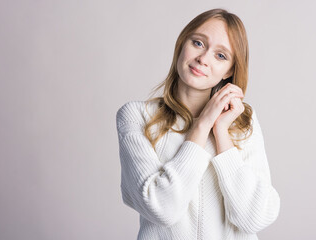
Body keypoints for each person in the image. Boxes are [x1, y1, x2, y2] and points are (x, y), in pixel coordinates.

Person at [116, 8, 280, 239]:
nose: (203, 59)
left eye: (220, 56)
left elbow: (255, 217)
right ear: (182, 43)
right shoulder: (136, 116)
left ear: (230, 70)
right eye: (198, 43)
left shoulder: (242, 122)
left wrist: (221, 131)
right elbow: (162, 209)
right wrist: (202, 125)